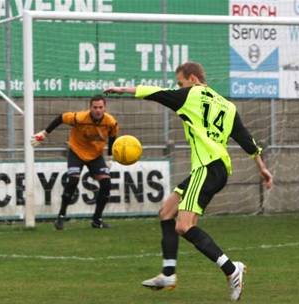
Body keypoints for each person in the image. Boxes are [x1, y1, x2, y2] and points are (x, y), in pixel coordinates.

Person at [104, 62, 272, 301]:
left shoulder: (190, 95)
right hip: (216, 168)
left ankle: (232, 269)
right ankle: (169, 273)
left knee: (183, 226)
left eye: (180, 82)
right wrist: (262, 168)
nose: (179, 87)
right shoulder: (227, 105)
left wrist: (122, 90)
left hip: (207, 167)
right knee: (166, 211)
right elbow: (247, 140)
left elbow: (156, 93)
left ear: (192, 79)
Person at [31, 95, 119, 230]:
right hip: (76, 151)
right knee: (73, 180)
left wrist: (109, 157)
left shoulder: (111, 122)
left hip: (95, 155)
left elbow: (113, 136)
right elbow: (61, 118)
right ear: (90, 108)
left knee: (106, 183)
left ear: (105, 108)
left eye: (100, 107)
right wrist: (44, 133)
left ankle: (97, 220)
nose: (98, 110)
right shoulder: (79, 117)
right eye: (95, 107)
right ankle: (61, 216)